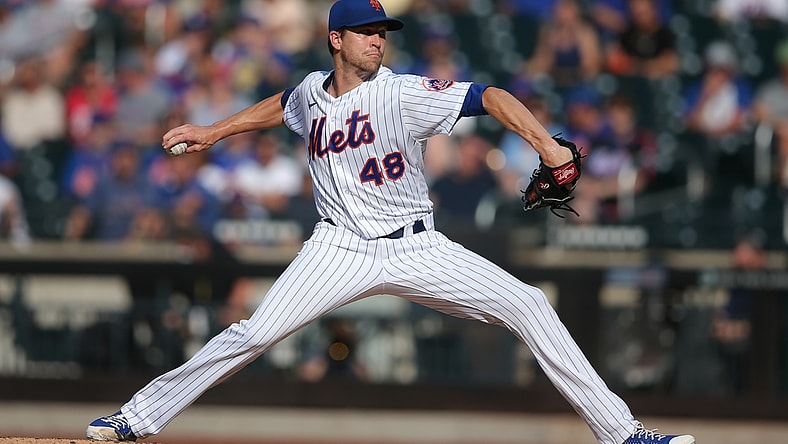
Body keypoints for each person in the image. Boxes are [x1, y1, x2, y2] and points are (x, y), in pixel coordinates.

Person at [86, 2, 695, 444]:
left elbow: (491, 96)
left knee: (531, 303)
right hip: (339, 247)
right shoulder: (311, 93)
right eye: (366, 31)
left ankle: (623, 435)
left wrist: (549, 147)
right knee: (253, 334)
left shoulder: (404, 92)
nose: (379, 39)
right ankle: (137, 418)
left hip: (416, 245)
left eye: (383, 31)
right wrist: (213, 131)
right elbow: (283, 106)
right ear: (335, 40)